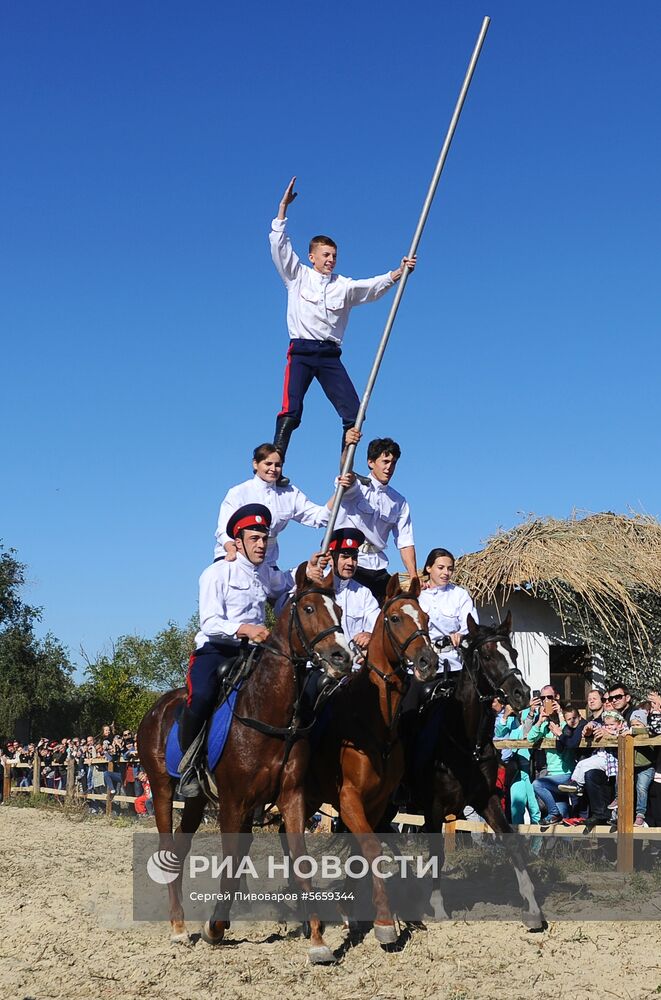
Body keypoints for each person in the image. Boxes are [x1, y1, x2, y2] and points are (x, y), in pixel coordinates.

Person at [178, 502, 325, 798]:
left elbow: (284, 580)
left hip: (255, 652)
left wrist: (307, 568)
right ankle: (190, 765)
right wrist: (244, 629)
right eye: (254, 538)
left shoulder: (263, 573)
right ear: (238, 541)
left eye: (264, 538)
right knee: (203, 695)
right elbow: (209, 621)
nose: (261, 545)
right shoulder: (216, 573)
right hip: (217, 650)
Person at [269, 177, 416, 471]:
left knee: (354, 412)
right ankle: (276, 464)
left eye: (334, 256)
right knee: (292, 409)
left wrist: (397, 273)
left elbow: (370, 288)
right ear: (312, 257)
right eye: (325, 255)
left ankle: (344, 466)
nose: (331, 260)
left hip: (329, 355)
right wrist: (282, 210)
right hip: (301, 352)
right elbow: (280, 247)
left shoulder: (343, 286)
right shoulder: (297, 276)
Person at [214, 441, 353, 565]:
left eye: (278, 465)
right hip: (233, 558)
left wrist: (340, 491)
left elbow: (319, 517)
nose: (273, 469)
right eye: (268, 464)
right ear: (255, 464)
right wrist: (232, 552)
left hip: (266, 563)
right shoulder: (238, 492)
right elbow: (223, 530)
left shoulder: (290, 493)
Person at [335, 436, 416, 604]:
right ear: (371, 462)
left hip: (378, 567)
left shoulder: (399, 501)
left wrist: (414, 575)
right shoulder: (357, 487)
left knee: (400, 610)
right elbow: (345, 470)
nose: (389, 467)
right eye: (385, 461)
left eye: (393, 463)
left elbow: (405, 541)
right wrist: (348, 446)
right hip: (352, 564)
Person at [418, 548, 478, 674]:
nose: (446, 572)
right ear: (428, 568)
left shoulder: (460, 595)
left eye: (450, 569)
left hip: (452, 664)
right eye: (441, 567)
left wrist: (461, 634)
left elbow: (471, 624)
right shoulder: (417, 596)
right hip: (421, 665)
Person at [325, 528, 380, 657]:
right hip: (321, 667)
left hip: (353, 666)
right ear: (330, 559)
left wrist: (370, 635)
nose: (350, 563)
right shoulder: (315, 589)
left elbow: (378, 624)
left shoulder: (363, 593)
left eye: (354, 558)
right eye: (344, 557)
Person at [527, 686, 576, 823]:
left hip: (566, 773)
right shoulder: (545, 723)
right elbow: (530, 739)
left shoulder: (566, 716)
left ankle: (553, 813)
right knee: (564, 815)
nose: (546, 700)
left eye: (550, 697)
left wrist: (560, 713)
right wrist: (540, 720)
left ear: (557, 698)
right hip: (552, 775)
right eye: (543, 698)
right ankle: (567, 843)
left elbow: (569, 734)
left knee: (537, 784)